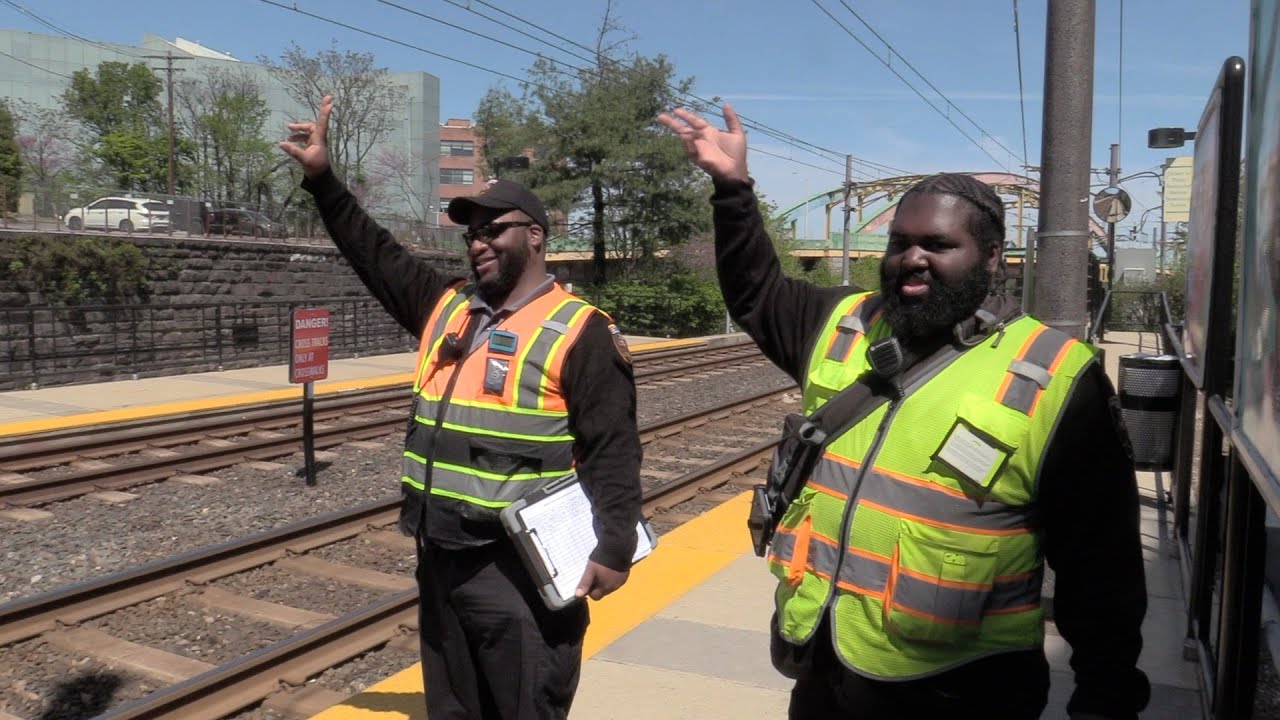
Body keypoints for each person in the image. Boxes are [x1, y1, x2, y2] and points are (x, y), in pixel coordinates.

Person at [659, 104, 1150, 720]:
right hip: (825, 660)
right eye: (900, 242)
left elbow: (1100, 561)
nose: (912, 258)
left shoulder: (1055, 375)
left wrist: (1106, 695)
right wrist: (732, 189)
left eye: (939, 245)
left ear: (993, 256)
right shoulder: (842, 323)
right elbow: (756, 290)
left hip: (963, 686)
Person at [280, 95, 644, 720]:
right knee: (453, 708)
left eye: (493, 229)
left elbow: (614, 449)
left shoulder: (579, 332)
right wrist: (323, 180)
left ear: (534, 236)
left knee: (525, 705)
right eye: (472, 232)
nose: (478, 243)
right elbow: (376, 254)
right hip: (440, 555)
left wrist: (613, 547)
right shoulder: (448, 307)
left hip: (521, 571)